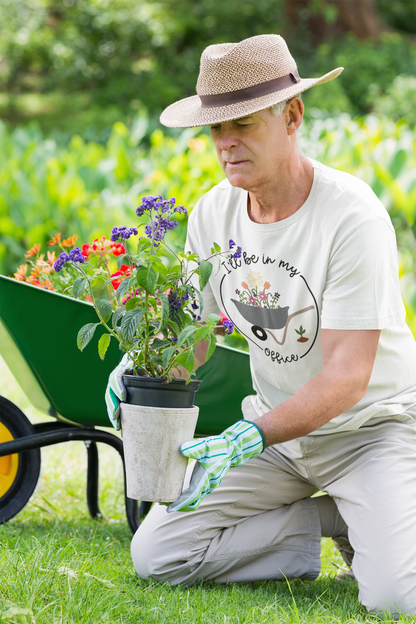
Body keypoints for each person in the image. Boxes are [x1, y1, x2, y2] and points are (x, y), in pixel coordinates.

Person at [116, 34, 416, 616]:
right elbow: (193, 340)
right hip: (279, 437)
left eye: (244, 125)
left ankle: (383, 508)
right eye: (215, 130)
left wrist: (251, 434)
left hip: (369, 431)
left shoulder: (351, 216)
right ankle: (329, 519)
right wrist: (141, 372)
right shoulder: (214, 210)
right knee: (157, 557)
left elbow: (349, 378)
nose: (225, 145)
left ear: (292, 116)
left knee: (396, 598)